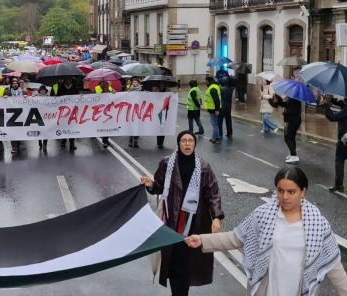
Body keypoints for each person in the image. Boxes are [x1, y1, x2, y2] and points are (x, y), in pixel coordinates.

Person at [185, 166, 347, 296]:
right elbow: (236, 237)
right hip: (266, 289)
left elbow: (333, 265)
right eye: (280, 190)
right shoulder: (264, 215)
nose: (284, 196)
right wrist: (202, 240)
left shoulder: (318, 224)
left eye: (291, 192)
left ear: (303, 191)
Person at [140, 130, 224, 295]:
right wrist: (150, 184)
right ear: (178, 144)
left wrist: (216, 217)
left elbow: (213, 193)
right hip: (172, 222)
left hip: (194, 223)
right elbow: (158, 186)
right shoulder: (167, 164)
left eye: (190, 141)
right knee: (174, 263)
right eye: (184, 141)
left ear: (194, 144)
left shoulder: (204, 167)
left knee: (187, 263)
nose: (187, 144)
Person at [321, 95, 347, 193]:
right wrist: (332, 100)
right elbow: (343, 104)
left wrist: (326, 105)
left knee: (339, 161)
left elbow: (333, 117)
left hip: (344, 141)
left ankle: (339, 185)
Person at [53, 78, 79, 151]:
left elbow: (78, 98)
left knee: (72, 127)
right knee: (63, 126)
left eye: (69, 80)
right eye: (66, 80)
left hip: (72, 111)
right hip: (63, 111)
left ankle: (72, 143)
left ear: (71, 81)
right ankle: (63, 141)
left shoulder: (75, 88)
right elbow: (57, 97)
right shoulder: (61, 88)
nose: (68, 81)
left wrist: (80, 97)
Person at [274, 94, 302, 163]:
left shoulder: (293, 99)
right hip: (295, 120)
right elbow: (284, 104)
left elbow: (289, 110)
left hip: (291, 121)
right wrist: (278, 98)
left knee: (288, 138)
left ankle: (294, 156)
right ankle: (292, 153)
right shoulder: (295, 98)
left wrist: (284, 113)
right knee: (291, 137)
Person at [95, 80, 114, 147]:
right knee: (103, 125)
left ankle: (106, 140)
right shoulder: (97, 88)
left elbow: (113, 96)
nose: (105, 83)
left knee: (108, 125)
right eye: (103, 82)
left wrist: (113, 91)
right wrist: (105, 89)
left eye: (106, 82)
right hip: (100, 110)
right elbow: (97, 96)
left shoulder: (109, 87)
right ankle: (104, 140)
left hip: (108, 109)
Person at [204, 76, 222, 144]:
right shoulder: (214, 86)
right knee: (215, 124)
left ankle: (215, 139)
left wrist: (217, 110)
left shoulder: (212, 88)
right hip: (214, 108)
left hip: (213, 109)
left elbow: (216, 99)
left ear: (209, 81)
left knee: (214, 124)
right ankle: (216, 137)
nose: (205, 82)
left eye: (206, 81)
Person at [128, 79, 143, 148]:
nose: (134, 83)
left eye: (136, 82)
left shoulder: (141, 89)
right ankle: (130, 140)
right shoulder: (129, 89)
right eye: (133, 82)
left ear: (138, 83)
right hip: (131, 110)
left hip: (139, 110)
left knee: (138, 126)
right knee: (131, 126)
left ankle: (136, 140)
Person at [37, 85, 49, 151]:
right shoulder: (37, 98)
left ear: (46, 91)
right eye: (41, 90)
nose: (43, 91)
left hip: (47, 116)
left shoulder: (48, 97)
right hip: (39, 116)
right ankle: (39, 142)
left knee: (46, 130)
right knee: (40, 130)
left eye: (44, 90)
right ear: (40, 91)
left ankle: (45, 144)